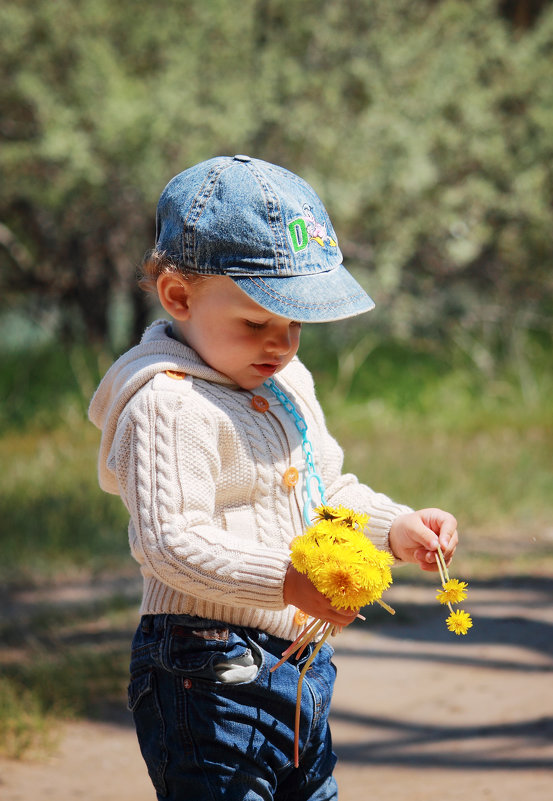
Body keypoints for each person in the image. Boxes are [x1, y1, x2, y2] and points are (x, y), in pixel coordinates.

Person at [89, 154, 458, 801]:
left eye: (294, 324)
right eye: (256, 321)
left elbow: (326, 491)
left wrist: (394, 526)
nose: (280, 344)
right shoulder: (167, 404)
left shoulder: (285, 381)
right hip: (204, 667)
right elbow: (170, 543)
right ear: (179, 296)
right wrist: (286, 581)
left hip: (301, 667)